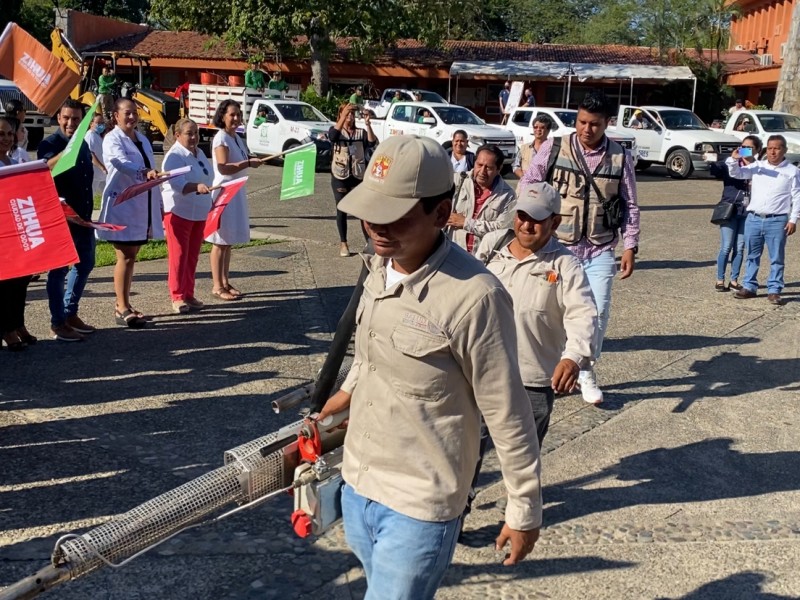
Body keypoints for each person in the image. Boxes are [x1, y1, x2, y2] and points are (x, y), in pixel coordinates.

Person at [318, 135, 543, 599]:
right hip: (358, 485)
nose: (376, 226)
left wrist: (524, 510)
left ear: (441, 214)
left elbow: (509, 413)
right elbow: (370, 353)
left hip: (419, 503)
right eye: (370, 211)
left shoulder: (475, 297)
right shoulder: (380, 265)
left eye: (394, 214)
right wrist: (341, 400)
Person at [520, 91, 640, 405]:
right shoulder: (554, 146)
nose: (587, 129)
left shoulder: (620, 156)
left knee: (596, 313)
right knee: (551, 311)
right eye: (582, 122)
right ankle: (553, 365)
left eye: (595, 124)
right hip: (559, 247)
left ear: (607, 124)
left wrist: (631, 246)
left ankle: (584, 369)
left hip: (599, 248)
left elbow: (630, 205)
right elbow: (529, 182)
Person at [97, 98, 164, 328]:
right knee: (124, 256)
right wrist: (144, 172)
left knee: (131, 256)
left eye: (135, 113)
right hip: (122, 206)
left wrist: (159, 198)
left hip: (140, 206)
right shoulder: (112, 139)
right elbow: (121, 163)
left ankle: (124, 302)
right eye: (127, 113)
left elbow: (149, 167)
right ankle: (121, 306)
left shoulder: (143, 139)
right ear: (115, 115)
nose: (132, 117)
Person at [37, 99, 97, 341]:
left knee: (85, 264)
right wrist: (67, 151)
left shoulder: (83, 143)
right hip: (60, 219)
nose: (71, 122)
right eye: (66, 118)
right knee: (58, 271)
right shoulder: (49, 144)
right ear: (59, 118)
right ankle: (58, 322)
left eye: (76, 118)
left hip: (82, 218)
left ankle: (70, 313)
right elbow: (46, 170)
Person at [728, 135, 800, 305]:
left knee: (776, 257)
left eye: (777, 148)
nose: (773, 152)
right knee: (752, 255)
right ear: (765, 150)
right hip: (754, 218)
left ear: (784, 150)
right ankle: (749, 286)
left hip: (777, 220)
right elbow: (736, 173)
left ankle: (774, 290)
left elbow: (797, 197)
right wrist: (734, 158)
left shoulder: (792, 171)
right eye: (769, 148)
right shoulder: (758, 166)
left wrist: (793, 219)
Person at [206, 99, 260, 300]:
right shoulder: (221, 138)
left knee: (228, 241)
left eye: (238, 114)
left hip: (236, 191)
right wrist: (247, 163)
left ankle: (225, 281)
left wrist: (251, 160)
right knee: (220, 240)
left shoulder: (235, 137)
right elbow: (223, 166)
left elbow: (241, 161)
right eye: (232, 115)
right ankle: (217, 286)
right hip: (224, 192)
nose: (236, 118)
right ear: (222, 116)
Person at [162, 118, 214, 313]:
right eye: (189, 134)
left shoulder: (199, 152)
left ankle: (188, 293)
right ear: (177, 135)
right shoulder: (174, 156)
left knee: (192, 256)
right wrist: (196, 187)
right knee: (179, 255)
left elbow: (208, 176)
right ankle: (177, 296)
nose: (194, 137)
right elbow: (178, 184)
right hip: (179, 212)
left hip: (199, 212)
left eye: (196, 133)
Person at [0, 115, 35, 351]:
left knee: (20, 282)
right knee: (5, 286)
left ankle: (18, 323)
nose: (6, 138)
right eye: (1, 134)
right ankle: (7, 329)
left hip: (17, 232)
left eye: (10, 134)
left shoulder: (13, 161)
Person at [710, 135, 762, 292]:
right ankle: (720, 279)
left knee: (740, 247)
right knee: (726, 246)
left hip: (747, 211)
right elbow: (715, 170)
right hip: (729, 209)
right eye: (742, 146)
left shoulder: (759, 167)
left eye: (749, 147)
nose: (744, 150)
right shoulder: (731, 163)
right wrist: (714, 159)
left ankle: (734, 280)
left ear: (757, 150)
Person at [447, 144, 516, 255]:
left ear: (499, 169)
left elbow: (503, 231)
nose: (482, 171)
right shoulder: (458, 181)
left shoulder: (508, 195)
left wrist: (466, 223)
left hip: (483, 258)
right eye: (479, 165)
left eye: (488, 167)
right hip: (452, 252)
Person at [328, 102, 376, 257]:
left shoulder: (360, 133)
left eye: (352, 114)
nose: (350, 116)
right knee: (342, 209)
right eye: (347, 114)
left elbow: (371, 143)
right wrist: (342, 117)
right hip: (340, 175)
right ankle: (344, 243)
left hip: (357, 174)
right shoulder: (336, 131)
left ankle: (369, 241)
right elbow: (332, 137)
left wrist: (368, 124)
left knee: (363, 211)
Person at [512, 114, 552, 179]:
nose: (538, 130)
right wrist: (523, 176)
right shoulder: (524, 148)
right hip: (525, 186)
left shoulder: (552, 149)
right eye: (535, 127)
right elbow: (515, 166)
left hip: (543, 186)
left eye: (542, 127)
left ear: (548, 130)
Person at [84, 112, 108, 196]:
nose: (101, 125)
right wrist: (102, 167)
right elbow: (90, 154)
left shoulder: (97, 136)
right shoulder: (90, 136)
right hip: (94, 174)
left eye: (102, 123)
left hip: (101, 175)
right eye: (98, 123)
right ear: (91, 124)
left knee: (109, 196)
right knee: (89, 196)